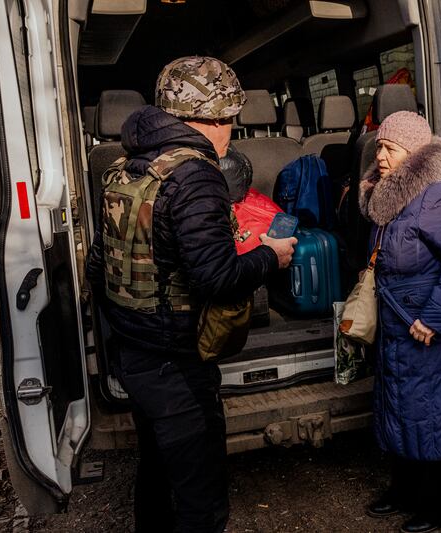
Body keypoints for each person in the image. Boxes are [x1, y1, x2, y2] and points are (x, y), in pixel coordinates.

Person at [85, 56, 296, 532]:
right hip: (176, 361)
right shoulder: (196, 175)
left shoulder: (125, 167)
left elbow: (99, 263)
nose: (231, 131)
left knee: (157, 474)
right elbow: (216, 278)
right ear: (213, 117)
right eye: (229, 119)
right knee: (200, 498)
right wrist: (271, 257)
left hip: (135, 352)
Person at [358, 111, 441, 533]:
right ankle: (405, 491)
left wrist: (433, 317)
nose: (380, 155)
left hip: (429, 329)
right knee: (399, 408)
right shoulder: (390, 195)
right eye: (378, 146)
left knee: (431, 414)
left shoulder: (435, 199)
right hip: (398, 326)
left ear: (412, 153)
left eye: (389, 148)